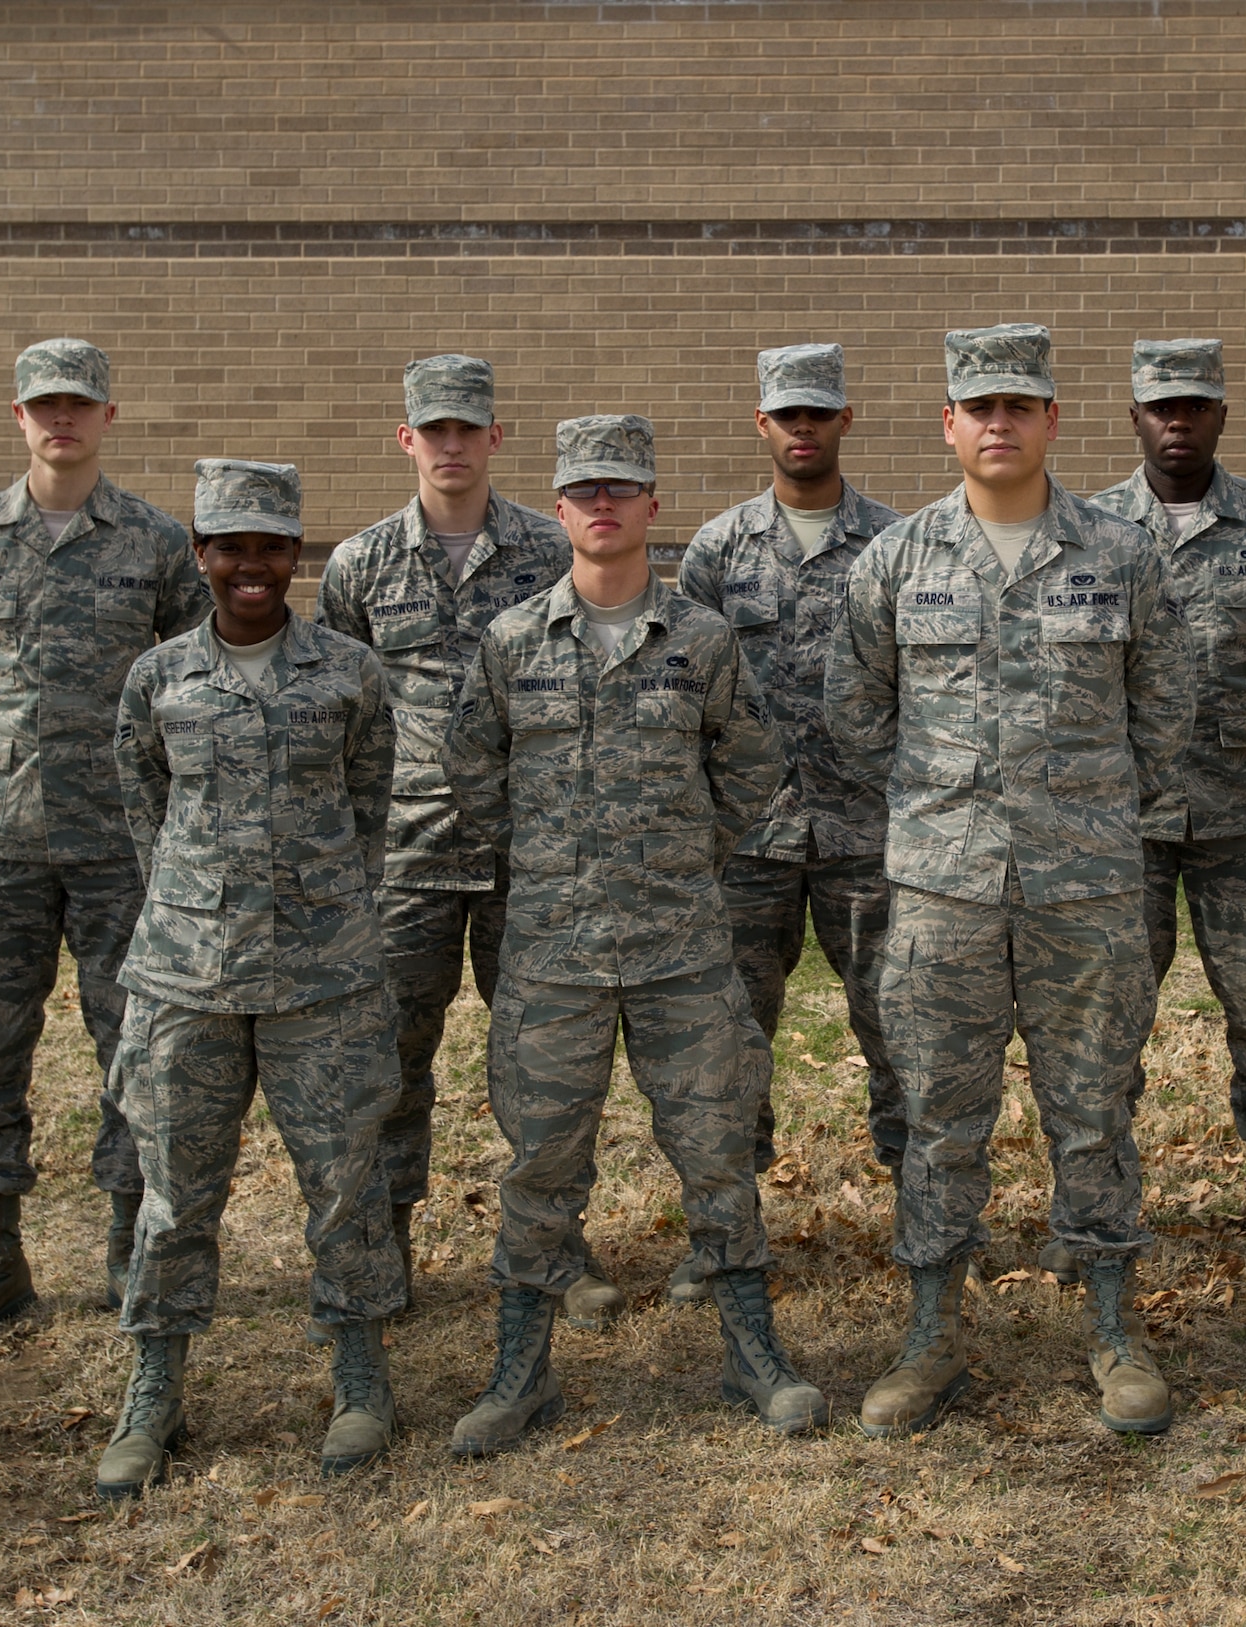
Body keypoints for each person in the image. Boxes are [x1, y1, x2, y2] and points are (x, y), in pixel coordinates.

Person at [825, 324, 1194, 1438]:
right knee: (939, 1112)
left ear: (1050, 420)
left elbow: (1165, 713)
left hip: (1082, 888)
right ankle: (930, 1334)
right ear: (947, 423)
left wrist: (1087, 815)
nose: (997, 423)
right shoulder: (893, 560)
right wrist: (943, 811)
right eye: (976, 406)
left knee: (1092, 1111)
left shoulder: (1120, 553)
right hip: (941, 891)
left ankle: (1113, 1330)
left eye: (1017, 405)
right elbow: (854, 716)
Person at [442, 414, 826, 1454]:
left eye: (623, 488)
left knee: (714, 1154)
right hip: (552, 956)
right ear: (559, 509)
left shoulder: (701, 640)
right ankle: (519, 1375)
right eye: (583, 490)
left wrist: (682, 850)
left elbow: (752, 762)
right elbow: (471, 771)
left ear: (653, 507)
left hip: (681, 951)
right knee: (540, 1166)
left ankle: (753, 1355)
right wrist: (554, 861)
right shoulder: (511, 641)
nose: (602, 504)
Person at [96, 460, 405, 1498]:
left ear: (296, 555)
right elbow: (145, 800)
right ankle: (156, 1385)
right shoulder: (159, 678)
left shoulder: (349, 673)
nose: (252, 566)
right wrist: (195, 899)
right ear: (201, 555)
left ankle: (360, 1373)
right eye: (230, 545)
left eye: (271, 545)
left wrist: (319, 904)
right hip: (187, 978)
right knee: (176, 1193)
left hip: (324, 975)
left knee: (344, 1182)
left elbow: (371, 799)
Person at [315, 354, 624, 1331]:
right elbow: (342, 714)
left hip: (523, 854)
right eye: (431, 429)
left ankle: (550, 1244)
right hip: (402, 858)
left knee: (542, 1057)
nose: (450, 445)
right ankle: (385, 1240)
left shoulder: (548, 549)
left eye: (467, 429)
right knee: (390, 1056)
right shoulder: (359, 566)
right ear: (405, 438)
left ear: (495, 438)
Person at [0, 338, 210, 1361]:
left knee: (131, 1044)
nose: (61, 421)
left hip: (120, 850)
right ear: (18, 415)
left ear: (108, 417)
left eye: (79, 405)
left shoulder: (158, 544)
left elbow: (191, 677)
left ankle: (128, 1243)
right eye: (44, 405)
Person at [1078, 337, 1246, 1266]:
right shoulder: (1089, 528)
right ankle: (1101, 1208)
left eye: (1195, 406)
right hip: (1122, 823)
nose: (1176, 422)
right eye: (1159, 406)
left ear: (1223, 414)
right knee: (1106, 1022)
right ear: (1133, 415)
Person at [673, 343, 903, 1304]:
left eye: (819, 413)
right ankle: (723, 1231)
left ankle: (922, 1218)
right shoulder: (718, 552)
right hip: (751, 843)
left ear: (846, 420)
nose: (802, 429)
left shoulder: (897, 542)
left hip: (869, 834)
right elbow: (682, 689)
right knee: (728, 1040)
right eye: (786, 415)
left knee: (902, 1030)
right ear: (759, 425)